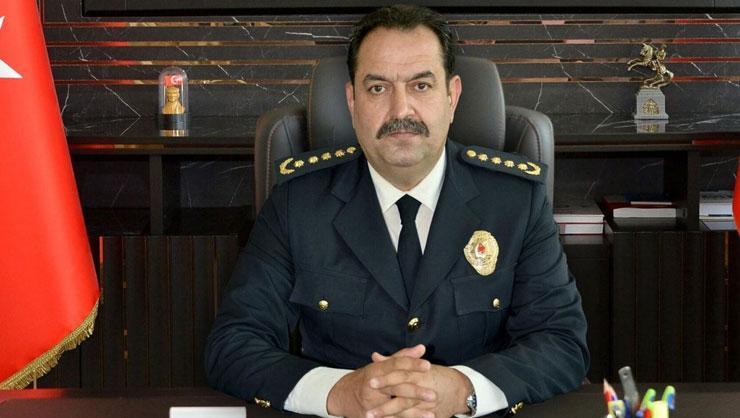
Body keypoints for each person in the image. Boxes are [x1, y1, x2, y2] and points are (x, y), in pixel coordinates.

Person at [205, 4, 588, 418]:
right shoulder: (298, 202)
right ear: (352, 100)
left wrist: (463, 389)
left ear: (452, 96)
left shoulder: (515, 201)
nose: (401, 110)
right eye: (377, 88)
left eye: (421, 85)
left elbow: (561, 342)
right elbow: (233, 344)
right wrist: (338, 392)